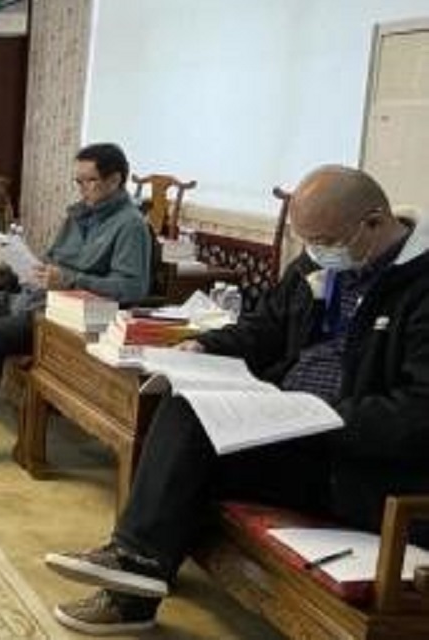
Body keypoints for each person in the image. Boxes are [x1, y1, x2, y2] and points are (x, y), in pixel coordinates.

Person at [44, 165, 429, 634]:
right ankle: (134, 567)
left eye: (325, 240)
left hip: (357, 467)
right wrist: (205, 348)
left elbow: (416, 415)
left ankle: (131, 585)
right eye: (308, 241)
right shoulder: (322, 263)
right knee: (187, 406)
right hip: (289, 429)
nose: (316, 253)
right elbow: (265, 328)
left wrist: (315, 417)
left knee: (186, 461)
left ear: (373, 222)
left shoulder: (420, 286)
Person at [0, 142, 151, 463]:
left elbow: (132, 288)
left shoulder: (130, 225)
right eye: (78, 181)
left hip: (63, 316)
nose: (81, 189)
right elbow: (52, 258)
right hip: (30, 297)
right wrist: (24, 263)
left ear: (115, 180)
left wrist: (69, 279)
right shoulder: (78, 214)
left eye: (89, 181)